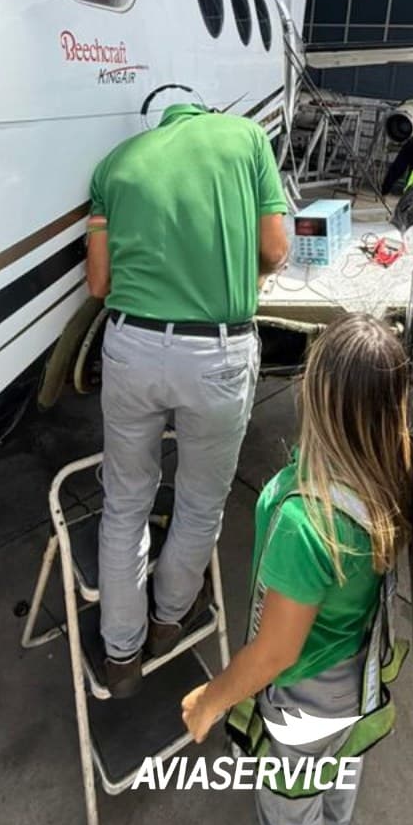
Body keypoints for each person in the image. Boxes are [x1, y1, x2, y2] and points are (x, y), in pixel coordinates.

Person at [181, 315, 413, 825]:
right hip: (355, 672)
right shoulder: (393, 470)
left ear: (318, 396)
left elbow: (275, 653)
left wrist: (211, 698)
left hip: (303, 700)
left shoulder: (305, 524)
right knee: (344, 761)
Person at [86, 102, 289, 697]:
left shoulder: (114, 165)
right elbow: (276, 251)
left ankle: (120, 656)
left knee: (125, 500)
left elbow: (98, 284)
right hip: (215, 355)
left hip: (131, 345)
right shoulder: (247, 139)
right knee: (200, 500)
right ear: (203, 112)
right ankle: (167, 622)